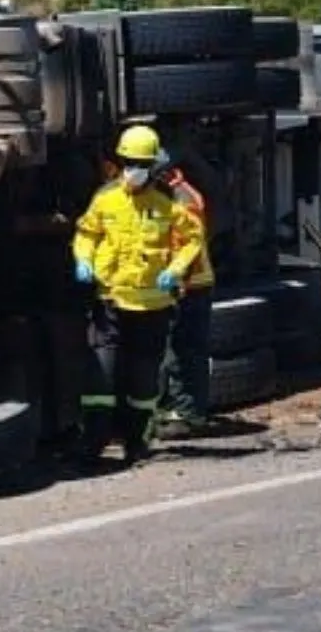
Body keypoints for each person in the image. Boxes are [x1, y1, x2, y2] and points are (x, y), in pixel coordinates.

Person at [70, 125, 205, 463]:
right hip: (111, 301)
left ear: (152, 165)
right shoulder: (105, 198)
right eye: (129, 162)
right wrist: (83, 259)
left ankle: (136, 442)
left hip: (153, 306)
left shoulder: (167, 202)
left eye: (141, 163)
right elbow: (86, 232)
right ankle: (95, 441)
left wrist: (174, 270)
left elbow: (193, 238)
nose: (133, 170)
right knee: (101, 373)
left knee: (143, 380)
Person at [155, 154, 216, 433]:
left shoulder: (181, 199)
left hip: (188, 287)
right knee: (179, 352)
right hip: (187, 285)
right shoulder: (177, 193)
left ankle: (186, 414)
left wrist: (175, 281)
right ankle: (181, 411)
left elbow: (185, 247)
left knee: (181, 353)